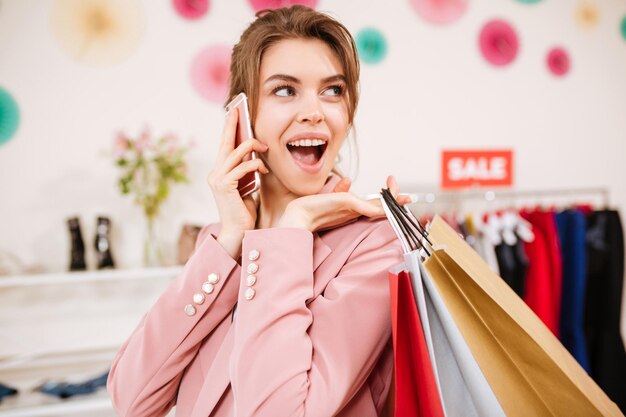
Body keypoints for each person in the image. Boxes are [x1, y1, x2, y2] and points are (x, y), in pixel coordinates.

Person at [107, 5, 411, 416]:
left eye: (333, 90)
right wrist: (229, 239)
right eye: (285, 90)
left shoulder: (376, 249)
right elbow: (132, 399)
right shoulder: (222, 243)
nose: (313, 111)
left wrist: (292, 229)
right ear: (241, 116)